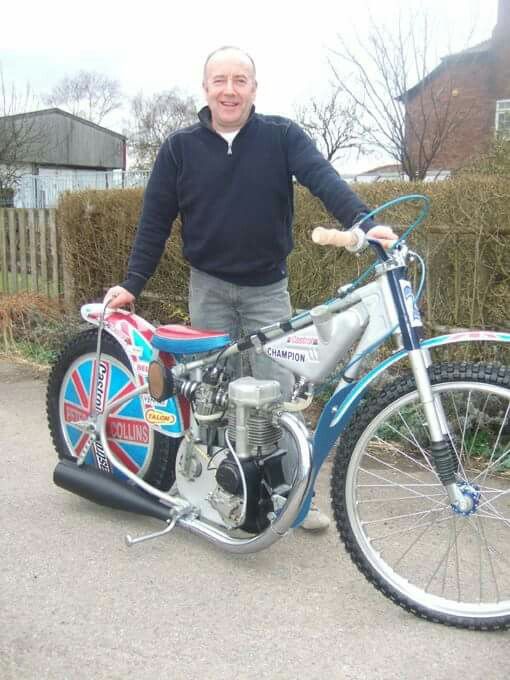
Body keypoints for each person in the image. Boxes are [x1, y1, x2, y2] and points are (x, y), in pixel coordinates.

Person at [105, 46, 397, 532]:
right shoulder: (179, 148)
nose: (230, 90)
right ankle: (211, 488)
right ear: (205, 89)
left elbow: (324, 180)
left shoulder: (280, 136)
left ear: (254, 89)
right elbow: (153, 222)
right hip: (210, 289)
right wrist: (132, 284)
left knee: (276, 395)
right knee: (209, 395)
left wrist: (365, 223)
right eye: (220, 80)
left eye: (240, 80)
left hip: (268, 291)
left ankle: (290, 499)